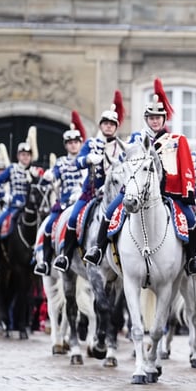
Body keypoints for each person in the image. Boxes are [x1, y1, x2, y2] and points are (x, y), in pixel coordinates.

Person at [84, 79, 196, 276]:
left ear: (164, 119)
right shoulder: (135, 139)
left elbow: (186, 168)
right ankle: (98, 249)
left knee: (191, 220)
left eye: (158, 117)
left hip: (170, 192)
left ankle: (192, 259)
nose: (155, 121)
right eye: (151, 117)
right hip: (135, 189)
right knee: (110, 212)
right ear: (146, 119)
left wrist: (187, 192)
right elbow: (123, 163)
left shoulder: (175, 140)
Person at [55, 93, 126, 272]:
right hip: (91, 193)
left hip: (117, 195)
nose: (108, 127)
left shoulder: (122, 147)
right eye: (105, 124)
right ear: (101, 125)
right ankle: (65, 255)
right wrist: (87, 159)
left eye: (112, 124)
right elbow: (77, 163)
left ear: (116, 127)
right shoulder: (91, 144)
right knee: (72, 218)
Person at [35, 113, 87, 276]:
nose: (73, 146)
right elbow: (56, 172)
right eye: (70, 143)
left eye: (75, 142)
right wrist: (50, 174)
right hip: (64, 202)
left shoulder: (85, 159)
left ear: (80, 143)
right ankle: (45, 261)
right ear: (66, 145)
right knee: (49, 226)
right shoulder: (61, 161)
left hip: (83, 199)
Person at [0, 129, 41, 237]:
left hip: (31, 209)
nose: (25, 157)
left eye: (27, 155)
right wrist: (4, 195)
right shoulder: (12, 169)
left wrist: (36, 177)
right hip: (14, 206)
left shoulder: (35, 171)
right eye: (23, 154)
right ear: (18, 156)